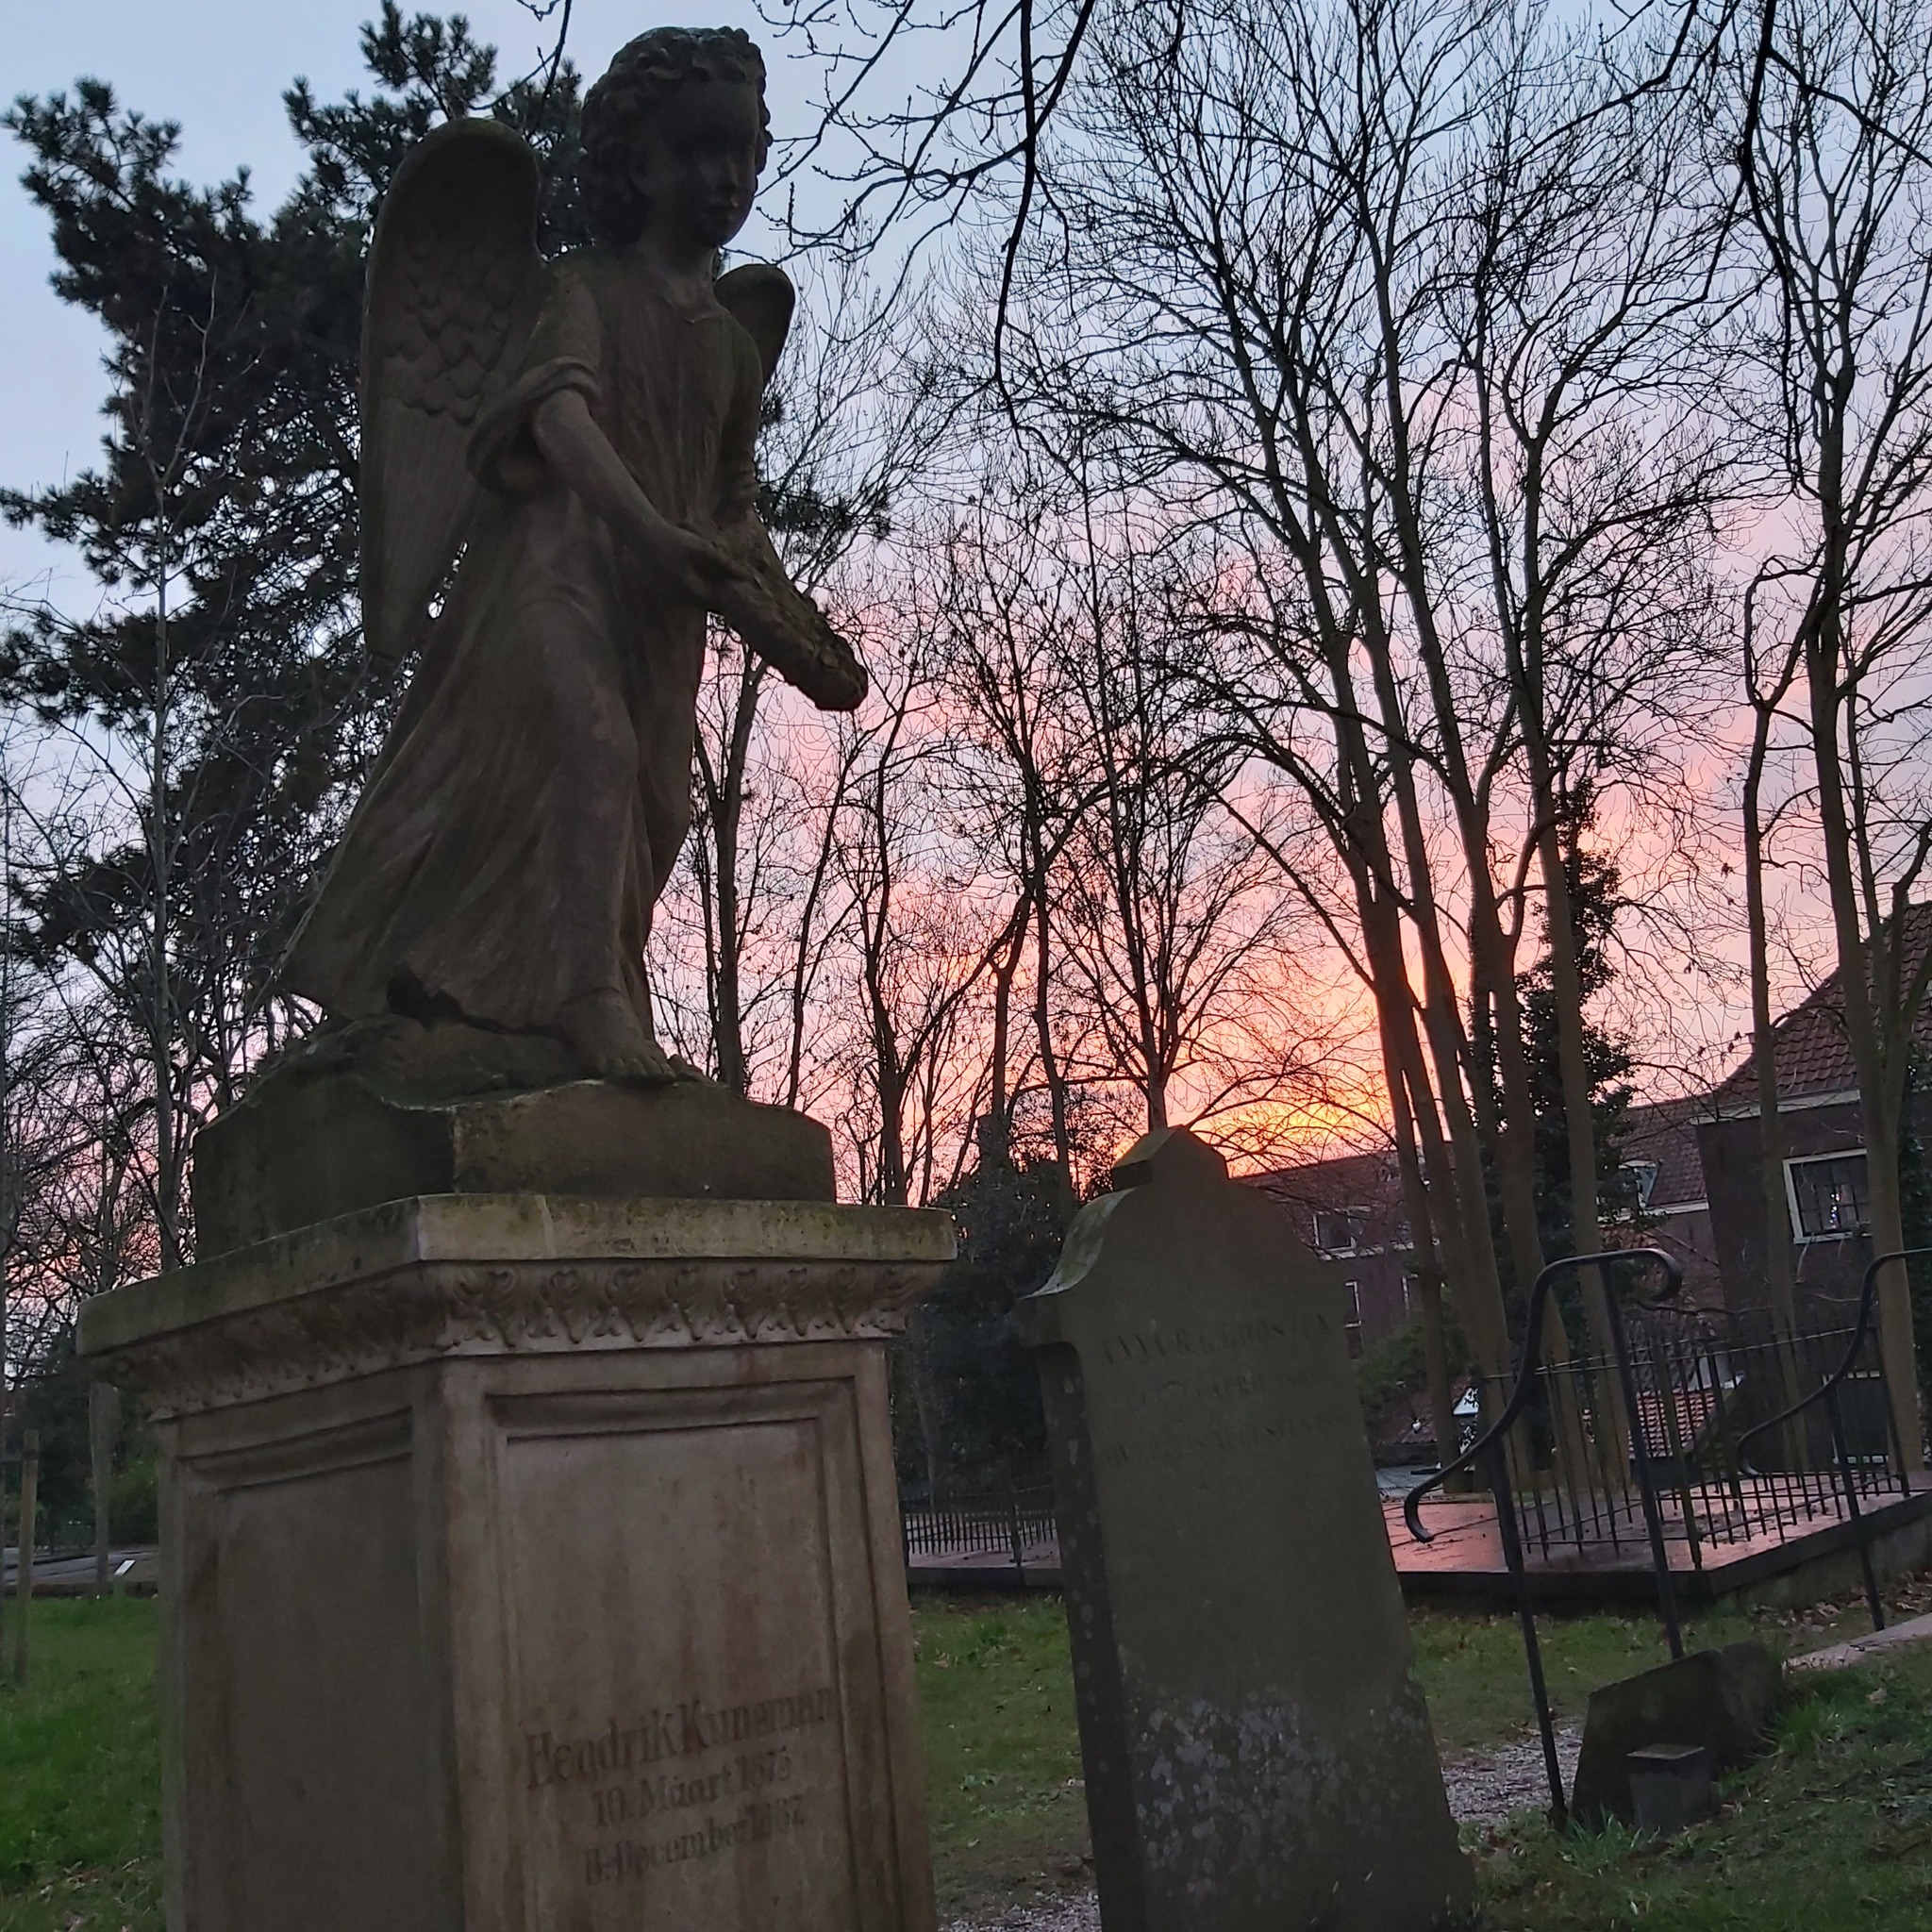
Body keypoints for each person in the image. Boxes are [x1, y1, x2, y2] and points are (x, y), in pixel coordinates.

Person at [286, 28, 858, 1082]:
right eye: (696, 152)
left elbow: (732, 504)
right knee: (592, 747)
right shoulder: (581, 290)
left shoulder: (733, 344)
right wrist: (651, 531)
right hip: (551, 579)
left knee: (661, 803)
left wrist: (788, 621)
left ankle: (579, 999)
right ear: (635, 166)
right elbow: (556, 419)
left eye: (741, 154)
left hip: (658, 614)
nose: (724, 178)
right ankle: (588, 1007)